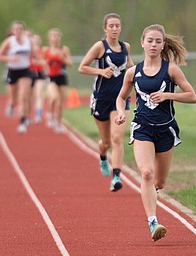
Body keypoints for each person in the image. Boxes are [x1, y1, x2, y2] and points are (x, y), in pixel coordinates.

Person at [115, 24, 196, 241]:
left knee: (159, 182)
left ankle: (152, 192)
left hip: (165, 130)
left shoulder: (171, 70)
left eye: (157, 41)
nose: (153, 44)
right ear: (142, 42)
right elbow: (122, 96)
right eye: (149, 40)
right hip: (142, 128)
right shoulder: (133, 72)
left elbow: (192, 96)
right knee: (147, 173)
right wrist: (122, 112)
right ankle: (153, 222)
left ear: (162, 45)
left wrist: (168, 96)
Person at [78, 13, 134, 192]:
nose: (115, 29)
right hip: (101, 99)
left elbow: (131, 68)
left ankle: (116, 176)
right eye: (111, 26)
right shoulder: (99, 47)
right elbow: (82, 67)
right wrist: (101, 72)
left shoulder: (126, 47)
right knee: (106, 142)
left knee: (117, 138)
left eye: (117, 25)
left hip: (120, 100)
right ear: (105, 28)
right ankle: (102, 156)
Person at [0, 21, 32, 134]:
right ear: (12, 31)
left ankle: (22, 122)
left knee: (23, 97)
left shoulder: (28, 41)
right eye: (16, 29)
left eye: (20, 28)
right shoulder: (9, 42)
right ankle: (11, 105)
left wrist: (40, 61)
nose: (18, 31)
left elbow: (34, 54)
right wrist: (10, 59)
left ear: (23, 30)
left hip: (25, 70)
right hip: (12, 71)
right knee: (14, 98)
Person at [44, 28, 72, 133]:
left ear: (60, 37)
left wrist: (62, 59)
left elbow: (70, 64)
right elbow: (42, 63)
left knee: (60, 102)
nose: (55, 38)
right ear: (49, 38)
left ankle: (59, 123)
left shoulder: (64, 49)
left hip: (62, 77)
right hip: (51, 77)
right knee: (54, 97)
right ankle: (50, 114)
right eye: (53, 35)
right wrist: (46, 63)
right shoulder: (46, 50)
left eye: (57, 35)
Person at [28, 34, 48, 124]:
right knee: (30, 97)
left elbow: (45, 62)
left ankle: (38, 115)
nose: (35, 41)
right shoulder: (28, 51)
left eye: (37, 39)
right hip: (29, 74)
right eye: (34, 39)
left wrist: (37, 62)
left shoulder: (42, 51)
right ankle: (27, 116)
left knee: (39, 94)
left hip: (40, 74)